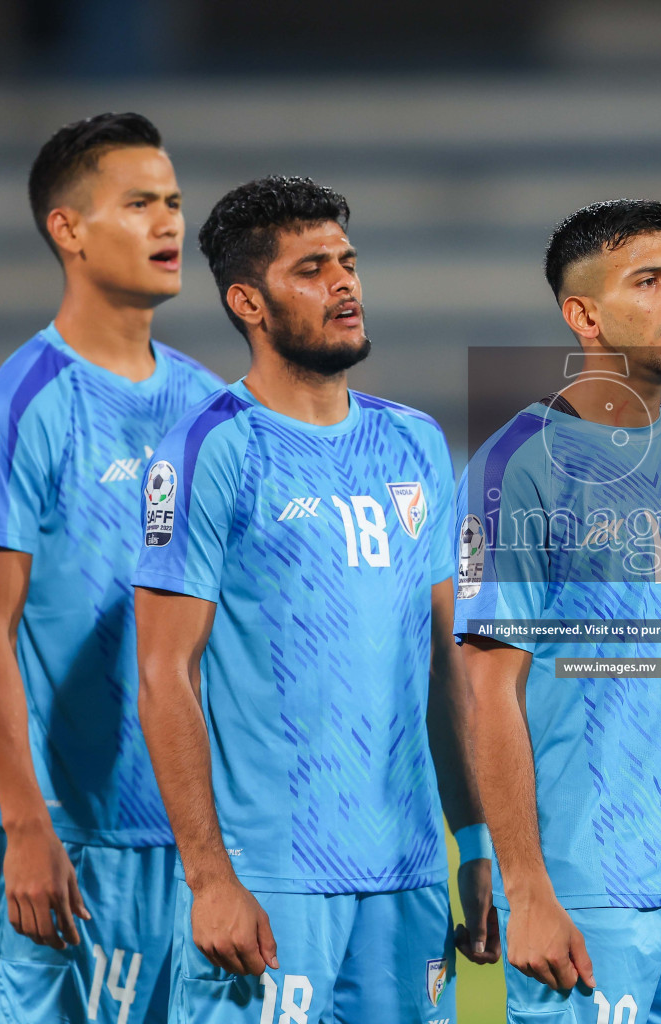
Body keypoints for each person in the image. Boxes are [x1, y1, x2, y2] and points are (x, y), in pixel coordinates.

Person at [133, 175, 494, 1024]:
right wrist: (211, 877)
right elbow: (164, 674)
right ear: (248, 302)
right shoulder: (207, 451)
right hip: (270, 881)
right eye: (311, 269)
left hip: (405, 880)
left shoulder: (413, 442)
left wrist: (476, 841)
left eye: (348, 261)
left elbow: (447, 667)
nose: (344, 283)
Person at [455, 199, 661, 1024]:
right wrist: (527, 888)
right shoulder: (518, 469)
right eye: (650, 280)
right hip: (590, 886)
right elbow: (487, 690)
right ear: (585, 315)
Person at [0, 112, 221, 1024]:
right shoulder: (20, 408)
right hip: (78, 837)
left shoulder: (209, 405)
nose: (170, 225)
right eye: (140, 203)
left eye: (176, 203)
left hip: (202, 838)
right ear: (66, 228)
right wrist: (27, 826)